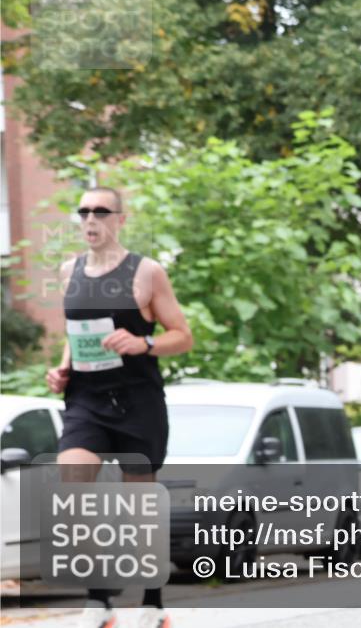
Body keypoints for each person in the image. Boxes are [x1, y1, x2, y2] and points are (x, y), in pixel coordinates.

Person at [46, 187, 193, 628]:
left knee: (139, 508)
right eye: (83, 211)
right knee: (72, 487)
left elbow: (183, 335)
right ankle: (99, 602)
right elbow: (77, 334)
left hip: (137, 400)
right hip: (86, 401)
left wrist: (143, 342)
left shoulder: (147, 272)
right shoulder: (68, 269)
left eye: (100, 211)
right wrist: (62, 368)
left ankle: (152, 603)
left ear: (120, 219)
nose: (90, 219)